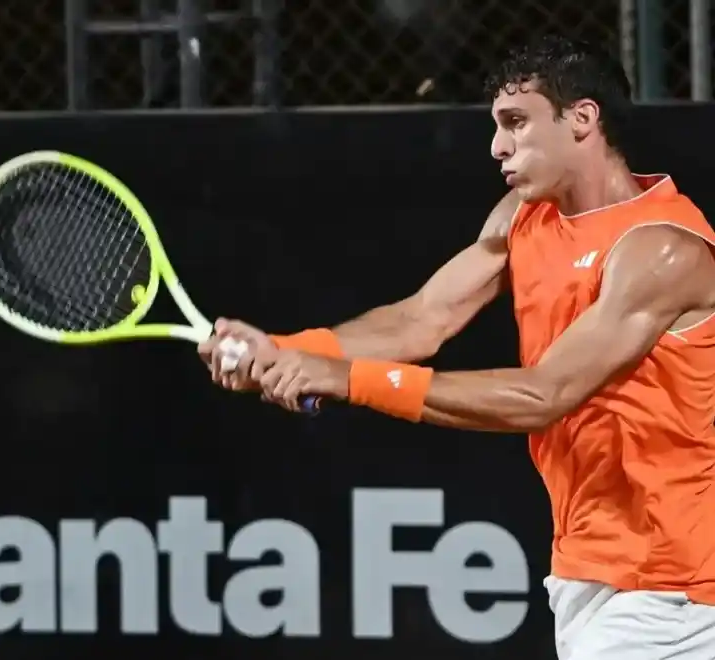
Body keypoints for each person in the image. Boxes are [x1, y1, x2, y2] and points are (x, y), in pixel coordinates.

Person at [198, 35, 715, 659]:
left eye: (516, 123)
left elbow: (542, 394)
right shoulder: (522, 218)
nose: (498, 146)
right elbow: (422, 319)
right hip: (589, 569)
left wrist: (345, 378)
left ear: (582, 119)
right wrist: (284, 350)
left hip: (678, 585)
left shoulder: (661, 250)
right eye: (497, 125)